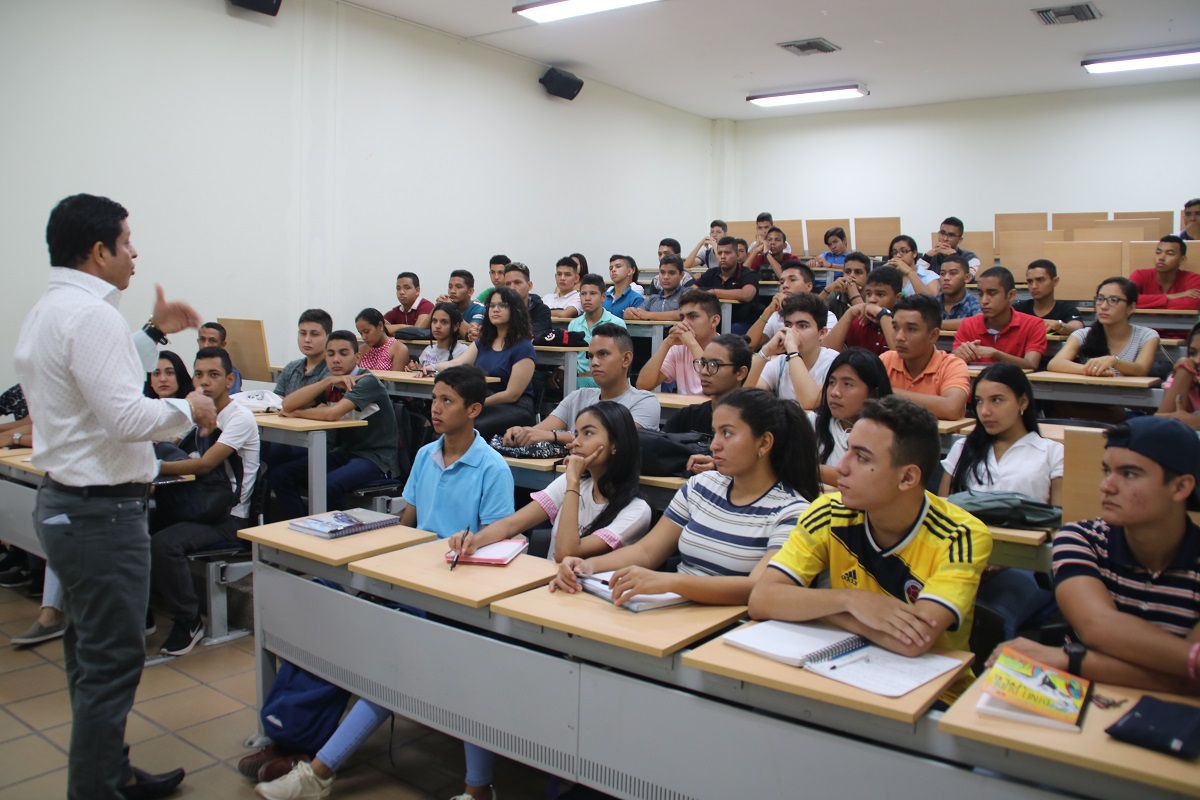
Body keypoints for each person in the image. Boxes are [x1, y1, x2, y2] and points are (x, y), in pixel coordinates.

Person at [14, 193, 217, 799]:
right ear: (98, 251)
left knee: (90, 651)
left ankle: (109, 770)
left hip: (70, 507)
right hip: (101, 513)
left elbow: (91, 381)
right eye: (127, 241)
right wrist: (190, 406)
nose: (135, 252)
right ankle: (97, 788)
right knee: (111, 663)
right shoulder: (91, 316)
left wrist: (155, 332)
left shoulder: (53, 308)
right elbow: (126, 415)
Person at [253, 366, 516, 800]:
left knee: (392, 668)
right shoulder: (425, 454)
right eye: (434, 398)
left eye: (447, 400)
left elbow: (495, 541)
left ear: (473, 410)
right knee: (334, 605)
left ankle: (318, 772)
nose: (435, 407)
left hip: (457, 591)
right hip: (410, 579)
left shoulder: (492, 468)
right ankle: (300, 741)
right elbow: (407, 521)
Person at [749, 396, 992, 702]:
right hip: (840, 674)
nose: (841, 468)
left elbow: (912, 641)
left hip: (931, 697)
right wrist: (850, 600)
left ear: (907, 477)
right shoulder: (828, 510)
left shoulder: (961, 535)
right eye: (847, 449)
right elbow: (762, 598)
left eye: (862, 458)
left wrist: (817, 609)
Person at [551, 388, 819, 608]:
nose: (714, 445)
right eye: (715, 433)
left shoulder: (792, 511)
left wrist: (670, 582)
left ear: (764, 443)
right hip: (673, 609)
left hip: (728, 623)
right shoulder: (701, 486)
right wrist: (586, 566)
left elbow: (757, 587)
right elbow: (647, 551)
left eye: (728, 433)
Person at [989, 417, 1200, 695]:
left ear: (1180, 487)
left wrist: (1068, 659)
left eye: (1130, 474)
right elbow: (1098, 628)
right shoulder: (1081, 539)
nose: (1107, 486)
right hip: (1078, 697)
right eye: (1107, 471)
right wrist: (1189, 669)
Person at [940, 363, 1063, 638]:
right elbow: (943, 511)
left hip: (1026, 565)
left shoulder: (1051, 452)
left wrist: (1002, 561)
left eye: (997, 400)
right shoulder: (963, 447)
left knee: (992, 620)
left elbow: (1061, 522)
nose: (985, 411)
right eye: (980, 402)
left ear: (1023, 401)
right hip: (963, 558)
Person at [152, 347, 260, 656]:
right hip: (200, 503)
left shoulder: (239, 419)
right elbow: (166, 443)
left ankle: (189, 622)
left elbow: (203, 465)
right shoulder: (196, 412)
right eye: (198, 375)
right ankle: (142, 614)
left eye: (213, 375)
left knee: (164, 544)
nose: (205, 382)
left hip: (230, 517)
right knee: (136, 525)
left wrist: (151, 468)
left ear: (229, 380)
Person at [456, 401, 651, 562]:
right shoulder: (572, 483)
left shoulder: (636, 511)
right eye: (576, 434)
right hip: (548, 589)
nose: (575, 442)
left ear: (615, 445)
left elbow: (565, 553)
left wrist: (573, 482)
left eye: (588, 433)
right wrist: (475, 540)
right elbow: (511, 524)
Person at [271, 330, 400, 519]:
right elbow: (287, 404)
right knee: (280, 475)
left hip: (375, 459)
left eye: (343, 353)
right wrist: (327, 380)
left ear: (357, 357)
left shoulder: (366, 381)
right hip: (344, 453)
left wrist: (298, 413)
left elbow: (332, 414)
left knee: (328, 484)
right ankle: (301, 526)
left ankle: (343, 534)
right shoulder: (332, 383)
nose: (336, 359)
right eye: (330, 354)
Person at [503, 323, 660, 446]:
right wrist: (521, 432)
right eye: (590, 356)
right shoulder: (578, 396)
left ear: (626, 359)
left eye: (603, 354)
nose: (594, 362)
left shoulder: (645, 402)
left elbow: (614, 440)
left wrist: (554, 436)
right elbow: (541, 430)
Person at [425, 287, 537, 439]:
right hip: (484, 401)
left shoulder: (523, 346)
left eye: (502, 305)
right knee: (442, 422)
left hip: (516, 406)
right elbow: (458, 363)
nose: (495, 310)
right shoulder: (483, 342)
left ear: (515, 310)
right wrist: (430, 368)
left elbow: (512, 394)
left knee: (473, 426)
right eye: (491, 305)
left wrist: (477, 404)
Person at [661, 335, 752, 473]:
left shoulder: (754, 420)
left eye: (714, 365)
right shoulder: (688, 415)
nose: (704, 372)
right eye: (702, 364)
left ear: (740, 372)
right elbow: (659, 449)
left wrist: (717, 465)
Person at [808, 348, 892, 486]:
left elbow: (870, 483)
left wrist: (811, 470)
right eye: (831, 382)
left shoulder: (887, 435)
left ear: (873, 394)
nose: (835, 393)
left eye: (847, 384)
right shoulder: (813, 422)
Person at [882, 295, 970, 420]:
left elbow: (951, 408)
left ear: (933, 335)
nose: (899, 337)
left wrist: (886, 393)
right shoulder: (886, 360)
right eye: (895, 328)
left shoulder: (952, 365)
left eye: (911, 329)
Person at [1048, 277, 1158, 377]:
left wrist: (1114, 361)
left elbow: (1142, 369)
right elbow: (1055, 363)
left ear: (1131, 307)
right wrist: (1090, 370)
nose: (1104, 306)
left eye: (1113, 300)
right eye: (1100, 299)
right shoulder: (1083, 334)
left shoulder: (1147, 336)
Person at [748, 293, 838, 410]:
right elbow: (746, 395)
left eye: (802, 326)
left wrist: (792, 350)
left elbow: (809, 402)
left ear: (822, 333)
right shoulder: (780, 363)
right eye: (788, 325)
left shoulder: (835, 363)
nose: (792, 332)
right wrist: (766, 351)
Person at [952, 266, 1048, 370]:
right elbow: (955, 359)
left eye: (992, 293)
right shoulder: (968, 324)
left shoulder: (1034, 324)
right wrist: (959, 354)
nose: (984, 301)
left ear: (1011, 295)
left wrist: (996, 354)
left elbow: (1031, 364)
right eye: (980, 294)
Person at [636, 289, 721, 395]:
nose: (684, 322)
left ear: (714, 321)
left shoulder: (726, 350)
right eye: (682, 317)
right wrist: (666, 343)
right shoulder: (678, 349)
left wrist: (692, 344)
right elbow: (642, 386)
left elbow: (715, 389)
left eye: (693, 316)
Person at [747, 260, 836, 349]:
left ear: (809, 286)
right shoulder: (776, 315)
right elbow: (749, 345)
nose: (785, 285)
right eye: (781, 282)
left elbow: (825, 351)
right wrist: (768, 310)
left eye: (792, 280)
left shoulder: (827, 316)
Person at [823, 265, 902, 357]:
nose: (872, 300)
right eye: (869, 294)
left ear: (897, 298)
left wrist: (882, 315)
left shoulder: (904, 325)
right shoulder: (859, 321)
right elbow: (826, 355)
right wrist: (850, 313)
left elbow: (902, 360)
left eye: (880, 294)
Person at [567, 273, 628, 390]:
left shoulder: (617, 323)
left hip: (607, 379)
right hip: (578, 380)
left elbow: (620, 364)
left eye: (593, 293)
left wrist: (581, 376)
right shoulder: (574, 324)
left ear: (603, 297)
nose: (587, 298)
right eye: (583, 294)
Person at [695, 236, 759, 334]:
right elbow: (692, 290)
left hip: (743, 322)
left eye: (727, 253)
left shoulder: (748, 274)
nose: (723, 256)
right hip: (715, 321)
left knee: (730, 332)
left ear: (737, 255)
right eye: (720, 253)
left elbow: (747, 295)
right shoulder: (712, 273)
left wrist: (714, 292)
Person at [1011, 259, 1084, 335]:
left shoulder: (1068, 310)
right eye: (1030, 281)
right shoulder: (1018, 309)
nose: (1034, 286)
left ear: (1055, 281)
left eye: (1040, 280)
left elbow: (1078, 329)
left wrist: (1058, 325)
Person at [1127, 236, 1200, 310]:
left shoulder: (1194, 279)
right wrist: (1171, 296)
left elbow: (1193, 304)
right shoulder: (1140, 275)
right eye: (1158, 252)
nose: (1161, 257)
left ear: (1182, 260)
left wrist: (1147, 303)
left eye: (1170, 253)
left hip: (1180, 321)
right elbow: (1127, 300)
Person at [1157, 321, 1200, 430]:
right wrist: (1184, 371)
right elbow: (1161, 426)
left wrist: (1194, 422)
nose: (1197, 360)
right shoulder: (1186, 372)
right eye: (1193, 353)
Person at [625, 254, 686, 321]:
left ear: (681, 275)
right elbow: (639, 313)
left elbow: (683, 314)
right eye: (662, 272)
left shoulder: (687, 294)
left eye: (671, 273)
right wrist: (629, 312)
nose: (666, 277)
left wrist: (648, 315)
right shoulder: (652, 299)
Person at [410, 302, 467, 372]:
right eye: (434, 321)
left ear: (456, 326)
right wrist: (415, 370)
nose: (437, 326)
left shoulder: (463, 352)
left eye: (444, 322)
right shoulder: (428, 350)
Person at [503, 261, 552, 340]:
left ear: (529, 286)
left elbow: (533, 335)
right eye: (508, 284)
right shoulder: (499, 309)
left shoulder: (541, 310)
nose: (512, 288)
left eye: (517, 282)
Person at [354, 307, 409, 372]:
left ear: (380, 326)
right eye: (361, 333)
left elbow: (395, 380)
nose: (364, 337)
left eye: (366, 331)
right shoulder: (361, 350)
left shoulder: (399, 349)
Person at [935, 255, 980, 332]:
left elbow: (978, 322)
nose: (946, 278)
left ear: (967, 278)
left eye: (953, 273)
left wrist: (934, 323)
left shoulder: (975, 304)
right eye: (942, 273)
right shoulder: (931, 303)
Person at [437, 269, 486, 340]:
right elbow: (421, 331)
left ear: (470, 291)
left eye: (458, 287)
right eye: (450, 287)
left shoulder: (480, 309)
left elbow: (471, 334)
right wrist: (437, 307)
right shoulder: (446, 307)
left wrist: (452, 310)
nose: (452, 291)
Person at [819, 251, 869, 320]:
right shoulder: (837, 293)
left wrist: (853, 291)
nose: (851, 275)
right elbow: (812, 311)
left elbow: (866, 321)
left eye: (858, 272)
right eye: (847, 272)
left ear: (868, 277)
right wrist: (827, 290)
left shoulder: (873, 296)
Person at [197, 322, 243, 393]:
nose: (205, 345)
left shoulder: (231, 373)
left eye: (212, 341)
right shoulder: (197, 368)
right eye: (202, 339)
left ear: (223, 345)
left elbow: (230, 401)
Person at [545, 256, 583, 321]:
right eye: (559, 274)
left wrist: (542, 312)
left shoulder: (579, 297)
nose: (562, 278)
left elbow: (564, 314)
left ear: (576, 278)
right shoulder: (547, 297)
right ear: (555, 276)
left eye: (567, 274)